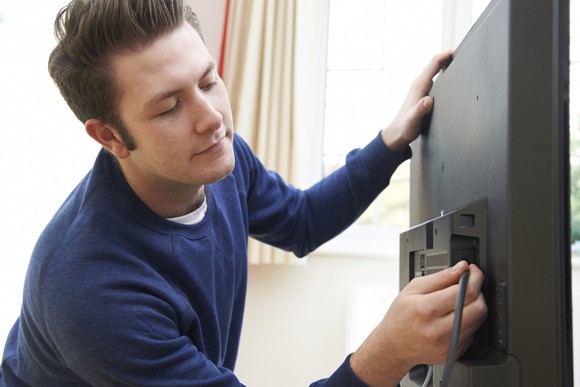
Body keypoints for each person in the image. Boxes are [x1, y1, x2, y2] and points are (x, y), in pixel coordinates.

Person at [0, 0, 487, 386]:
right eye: (169, 106)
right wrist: (389, 353)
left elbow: (302, 221)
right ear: (109, 137)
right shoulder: (91, 289)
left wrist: (392, 141)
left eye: (209, 80)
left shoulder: (216, 162)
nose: (212, 118)